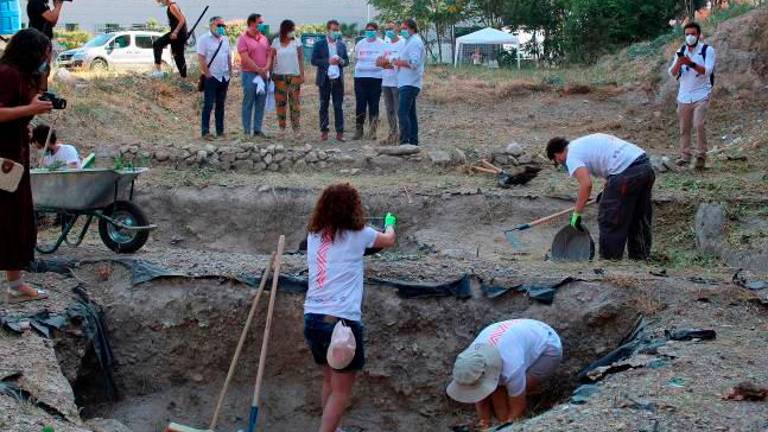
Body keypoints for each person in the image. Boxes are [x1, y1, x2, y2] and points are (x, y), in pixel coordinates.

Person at [304, 183, 396, 432]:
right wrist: (390, 223)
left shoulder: (314, 236)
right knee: (342, 391)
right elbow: (388, 241)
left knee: (329, 383)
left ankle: (334, 429)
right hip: (342, 323)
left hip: (313, 318)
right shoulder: (360, 234)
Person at [0, 28, 54, 303]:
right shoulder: (7, 74)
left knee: (15, 220)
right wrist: (30, 110)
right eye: (45, 55)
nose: (47, 59)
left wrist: (31, 109)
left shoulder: (20, 76)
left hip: (15, 158)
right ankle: (15, 285)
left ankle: (16, 284)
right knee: (8, 219)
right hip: (4, 159)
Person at [546, 133, 655, 260]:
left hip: (626, 173)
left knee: (610, 217)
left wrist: (577, 214)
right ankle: (640, 258)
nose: (560, 163)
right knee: (638, 215)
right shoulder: (581, 144)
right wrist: (606, 190)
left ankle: (609, 260)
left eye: (557, 162)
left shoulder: (571, 156)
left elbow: (586, 185)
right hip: (645, 167)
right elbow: (608, 162)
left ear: (556, 155)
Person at [447, 319, 562, 429]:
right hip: (523, 333)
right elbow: (478, 391)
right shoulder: (470, 358)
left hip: (548, 346)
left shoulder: (511, 368)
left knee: (507, 390)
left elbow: (518, 406)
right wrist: (484, 423)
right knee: (496, 387)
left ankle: (503, 421)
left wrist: (508, 425)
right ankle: (500, 420)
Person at [668, 22, 716, 171]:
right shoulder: (680, 51)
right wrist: (680, 63)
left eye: (693, 34)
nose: (690, 37)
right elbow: (672, 72)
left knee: (699, 124)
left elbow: (707, 71)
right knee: (684, 128)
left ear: (698, 35)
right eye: (687, 34)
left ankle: (701, 155)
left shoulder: (707, 50)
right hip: (683, 95)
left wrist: (690, 63)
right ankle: (685, 156)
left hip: (701, 94)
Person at [311, 20, 349, 142]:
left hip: (338, 80)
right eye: (333, 30)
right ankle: (324, 131)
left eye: (337, 30)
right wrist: (328, 61)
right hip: (324, 79)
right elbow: (313, 61)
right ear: (328, 30)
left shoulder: (341, 45)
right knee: (324, 105)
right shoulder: (319, 44)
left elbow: (347, 61)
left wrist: (341, 61)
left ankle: (340, 132)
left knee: (338, 106)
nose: (336, 32)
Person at [197, 16, 232, 140]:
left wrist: (230, 73)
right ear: (211, 25)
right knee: (208, 105)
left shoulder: (226, 39)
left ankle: (220, 131)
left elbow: (228, 57)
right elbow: (201, 58)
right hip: (211, 77)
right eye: (219, 25)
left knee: (220, 105)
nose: (221, 28)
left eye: (223, 26)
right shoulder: (203, 39)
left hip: (224, 77)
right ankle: (205, 132)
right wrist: (208, 74)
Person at [237, 13, 272, 139]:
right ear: (252, 23)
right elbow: (245, 58)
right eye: (260, 22)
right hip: (249, 75)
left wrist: (266, 68)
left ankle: (257, 129)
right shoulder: (243, 38)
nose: (262, 25)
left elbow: (269, 54)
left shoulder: (264, 38)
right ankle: (247, 131)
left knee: (261, 103)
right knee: (248, 102)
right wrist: (258, 69)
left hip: (263, 75)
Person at [393, 19, 425, 146]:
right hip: (405, 82)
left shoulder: (415, 42)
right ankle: (413, 142)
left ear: (412, 28)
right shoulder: (409, 41)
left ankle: (405, 141)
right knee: (410, 114)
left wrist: (400, 62)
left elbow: (414, 62)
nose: (402, 31)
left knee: (402, 112)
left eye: (404, 28)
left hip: (410, 83)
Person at [271, 19, 304, 139]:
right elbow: (272, 58)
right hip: (279, 77)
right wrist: (270, 73)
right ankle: (282, 128)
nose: (293, 31)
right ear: (285, 30)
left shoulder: (297, 41)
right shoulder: (275, 42)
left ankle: (296, 129)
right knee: (280, 104)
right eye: (291, 29)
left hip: (294, 77)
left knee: (295, 104)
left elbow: (300, 58)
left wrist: (302, 74)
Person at [352, 22, 385, 141]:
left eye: (372, 30)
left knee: (374, 105)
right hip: (360, 78)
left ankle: (373, 131)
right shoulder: (360, 43)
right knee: (360, 104)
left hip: (376, 78)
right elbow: (356, 59)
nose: (369, 32)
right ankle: (359, 130)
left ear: (376, 31)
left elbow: (384, 60)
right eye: (368, 30)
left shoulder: (382, 44)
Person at [377, 21, 405, 145]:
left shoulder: (403, 43)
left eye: (391, 28)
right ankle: (392, 134)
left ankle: (403, 136)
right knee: (389, 110)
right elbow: (378, 62)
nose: (389, 31)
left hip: (398, 82)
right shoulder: (385, 44)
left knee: (400, 110)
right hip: (386, 81)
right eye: (387, 28)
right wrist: (389, 63)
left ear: (397, 29)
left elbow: (401, 61)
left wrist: (387, 63)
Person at [151, 0, 188, 78]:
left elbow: (182, 20)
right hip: (177, 33)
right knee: (177, 55)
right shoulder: (171, 6)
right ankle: (183, 76)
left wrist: (175, 32)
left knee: (158, 44)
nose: (160, 3)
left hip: (178, 34)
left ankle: (158, 71)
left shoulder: (172, 6)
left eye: (160, 1)